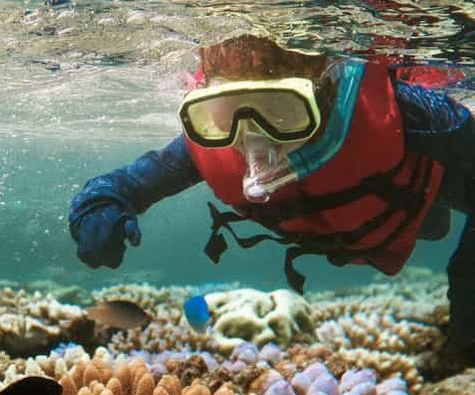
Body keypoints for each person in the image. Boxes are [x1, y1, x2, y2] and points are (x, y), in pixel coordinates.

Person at [68, 35, 474, 377]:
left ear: (326, 93)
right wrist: (97, 203)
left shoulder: (414, 115)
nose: (254, 141)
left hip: (407, 194)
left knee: (433, 224)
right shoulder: (219, 146)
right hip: (367, 215)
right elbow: (123, 185)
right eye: (226, 113)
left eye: (281, 111)